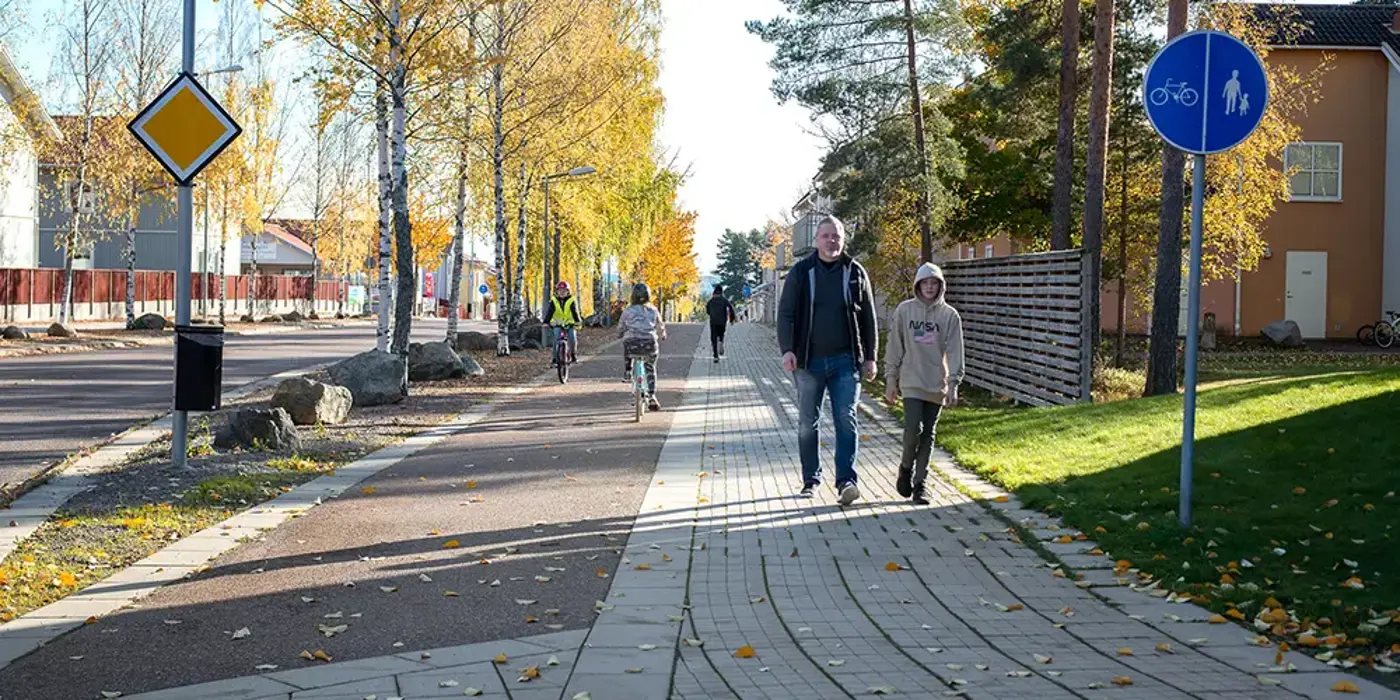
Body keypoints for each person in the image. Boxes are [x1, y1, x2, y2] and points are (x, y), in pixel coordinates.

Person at [777, 215, 878, 506]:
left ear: (843, 240)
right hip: (809, 362)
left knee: (846, 419)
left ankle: (846, 481)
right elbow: (785, 314)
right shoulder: (801, 272)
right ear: (816, 240)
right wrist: (787, 349)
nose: (831, 241)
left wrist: (870, 357)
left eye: (836, 236)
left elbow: (869, 317)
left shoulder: (855, 272)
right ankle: (811, 479)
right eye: (826, 236)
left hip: (846, 361)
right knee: (808, 422)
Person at [883, 262, 965, 506]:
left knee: (928, 434)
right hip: (911, 380)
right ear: (918, 285)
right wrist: (890, 379)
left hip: (936, 382)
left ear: (941, 286)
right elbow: (894, 345)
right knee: (912, 431)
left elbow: (955, 351)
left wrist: (953, 384)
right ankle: (905, 468)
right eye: (925, 283)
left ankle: (921, 484)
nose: (929, 287)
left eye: (934, 283)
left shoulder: (949, 315)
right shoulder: (905, 311)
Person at [619, 282, 667, 411]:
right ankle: (652, 395)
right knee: (650, 367)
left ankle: (628, 371)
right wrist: (662, 335)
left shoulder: (627, 311)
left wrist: (620, 334)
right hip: (649, 344)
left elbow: (621, 327)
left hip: (632, 344)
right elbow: (660, 326)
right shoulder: (653, 310)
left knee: (627, 344)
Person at [546, 281, 582, 365]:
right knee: (556, 339)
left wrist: (577, 322)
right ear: (557, 291)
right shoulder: (553, 300)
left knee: (572, 338)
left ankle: (573, 355)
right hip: (557, 323)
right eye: (560, 290)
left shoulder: (571, 300)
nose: (562, 292)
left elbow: (575, 312)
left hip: (570, 323)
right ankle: (554, 359)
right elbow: (549, 312)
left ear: (567, 291)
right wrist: (546, 322)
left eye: (564, 290)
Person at [705, 285, 737, 362]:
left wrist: (712, 314)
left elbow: (707, 310)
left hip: (713, 321)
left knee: (713, 338)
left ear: (714, 292)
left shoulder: (711, 301)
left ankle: (716, 356)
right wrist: (732, 319)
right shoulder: (724, 300)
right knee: (721, 334)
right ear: (721, 292)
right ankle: (721, 342)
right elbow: (731, 309)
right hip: (722, 321)